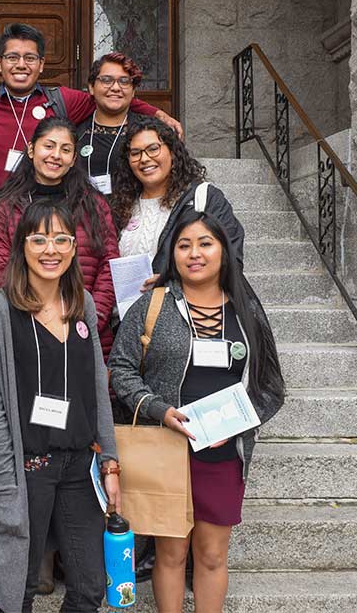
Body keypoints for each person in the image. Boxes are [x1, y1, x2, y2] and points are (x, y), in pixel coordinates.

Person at [107, 212, 286, 613]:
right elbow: (120, 367)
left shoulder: (246, 311)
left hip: (223, 453)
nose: (194, 253)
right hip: (164, 447)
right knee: (171, 554)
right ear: (172, 253)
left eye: (205, 243)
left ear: (224, 250)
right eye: (184, 245)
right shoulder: (153, 304)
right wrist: (157, 408)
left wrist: (238, 423)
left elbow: (271, 387)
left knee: (210, 555)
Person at [0, 201, 122, 613]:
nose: (50, 249)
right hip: (26, 470)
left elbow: (96, 387)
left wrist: (110, 462)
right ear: (22, 246)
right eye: (38, 239)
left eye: (61, 239)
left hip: (79, 467)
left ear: (74, 248)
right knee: (17, 591)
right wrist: (5, 483)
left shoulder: (83, 306)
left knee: (90, 588)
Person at [0, 22, 181, 202]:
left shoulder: (62, 100)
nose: (21, 65)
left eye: (30, 58)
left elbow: (109, 96)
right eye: (13, 57)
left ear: (41, 64)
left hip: (49, 220)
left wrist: (157, 114)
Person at [0, 115, 118, 354]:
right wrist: (39, 319)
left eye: (65, 149)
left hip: (85, 327)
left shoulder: (93, 204)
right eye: (49, 146)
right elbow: (1, 269)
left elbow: (110, 263)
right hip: (26, 329)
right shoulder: (6, 207)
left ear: (74, 158)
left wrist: (92, 314)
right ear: (32, 150)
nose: (56, 155)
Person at [108, 118, 246, 274]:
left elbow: (230, 258)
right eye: (135, 153)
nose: (144, 159)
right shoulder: (121, 206)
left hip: (187, 298)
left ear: (172, 152)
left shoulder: (204, 199)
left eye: (153, 149)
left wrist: (170, 283)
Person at [75, 52, 143, 196]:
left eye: (124, 81)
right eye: (106, 80)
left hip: (133, 215)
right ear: (91, 87)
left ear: (133, 91)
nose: (116, 88)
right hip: (81, 214)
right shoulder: (75, 132)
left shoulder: (148, 132)